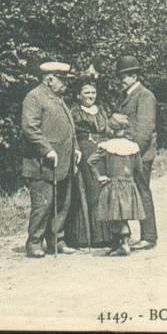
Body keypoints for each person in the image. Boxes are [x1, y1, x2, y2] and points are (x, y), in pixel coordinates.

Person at [21, 61, 81, 258]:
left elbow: (69, 128)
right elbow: (30, 128)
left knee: (62, 202)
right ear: (49, 79)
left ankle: (57, 240)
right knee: (43, 204)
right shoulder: (34, 97)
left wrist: (77, 149)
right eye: (61, 80)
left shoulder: (57, 98)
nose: (65, 84)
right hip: (42, 163)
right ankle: (34, 243)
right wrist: (46, 150)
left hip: (63, 161)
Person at [65, 81, 115, 249]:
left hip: (103, 151)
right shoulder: (74, 112)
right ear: (79, 95)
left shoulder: (102, 110)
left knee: (104, 188)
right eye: (86, 93)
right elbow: (71, 135)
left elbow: (109, 129)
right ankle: (87, 236)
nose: (90, 96)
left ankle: (107, 235)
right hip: (86, 152)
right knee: (90, 189)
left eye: (93, 92)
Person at [88, 114, 147, 256]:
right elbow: (139, 168)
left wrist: (99, 176)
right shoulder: (133, 147)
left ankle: (123, 244)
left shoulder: (107, 146)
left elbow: (91, 161)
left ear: (112, 129)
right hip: (128, 184)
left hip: (113, 184)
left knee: (114, 215)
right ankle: (119, 244)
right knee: (123, 215)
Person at [116, 55, 158, 251]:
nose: (121, 80)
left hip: (140, 154)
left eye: (124, 76)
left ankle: (149, 236)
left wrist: (132, 152)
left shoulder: (145, 96)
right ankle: (138, 236)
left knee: (142, 192)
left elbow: (144, 130)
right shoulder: (129, 95)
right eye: (121, 76)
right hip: (130, 153)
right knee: (136, 192)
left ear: (134, 76)